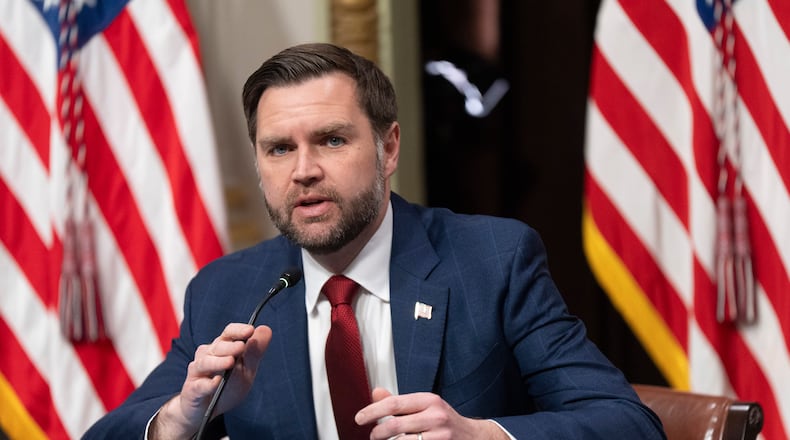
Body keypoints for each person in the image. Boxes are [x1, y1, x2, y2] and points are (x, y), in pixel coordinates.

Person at [84, 42, 665, 440]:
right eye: (279, 148)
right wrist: (179, 420)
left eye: (332, 140)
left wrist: (480, 433)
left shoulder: (493, 261)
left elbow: (627, 423)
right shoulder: (227, 291)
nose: (303, 170)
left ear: (389, 149)